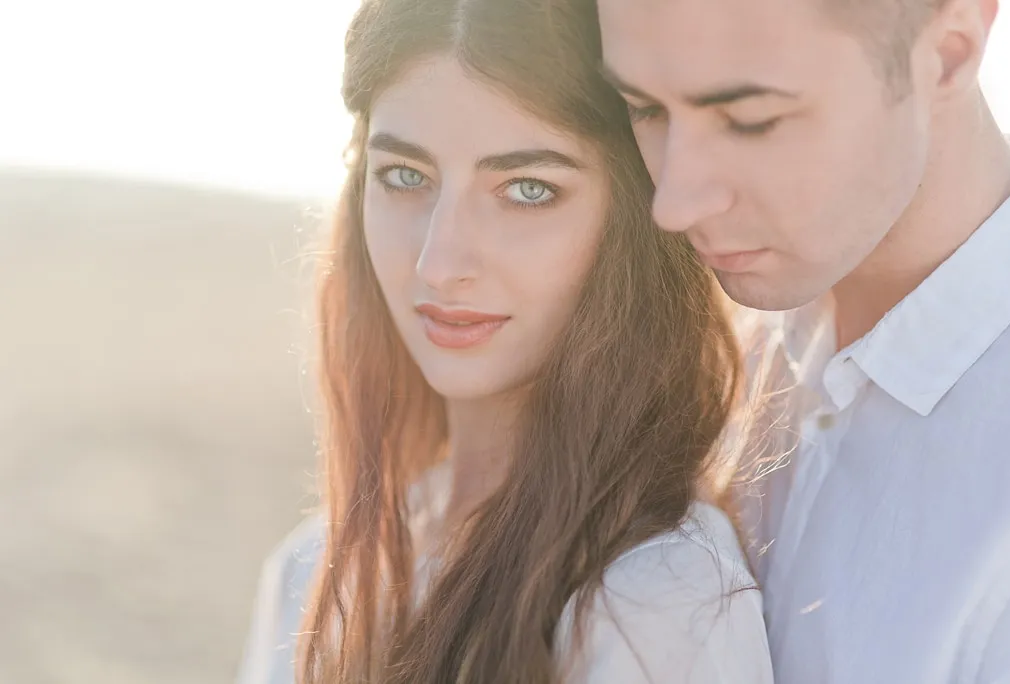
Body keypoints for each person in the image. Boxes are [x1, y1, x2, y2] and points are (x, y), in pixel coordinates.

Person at [236, 0, 775, 682]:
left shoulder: (657, 599)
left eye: (527, 189)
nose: (440, 262)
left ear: (636, 215)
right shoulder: (314, 569)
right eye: (405, 176)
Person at [595, 0, 1010, 682]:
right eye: (644, 109)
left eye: (751, 120)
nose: (672, 204)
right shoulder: (711, 336)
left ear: (947, 54)